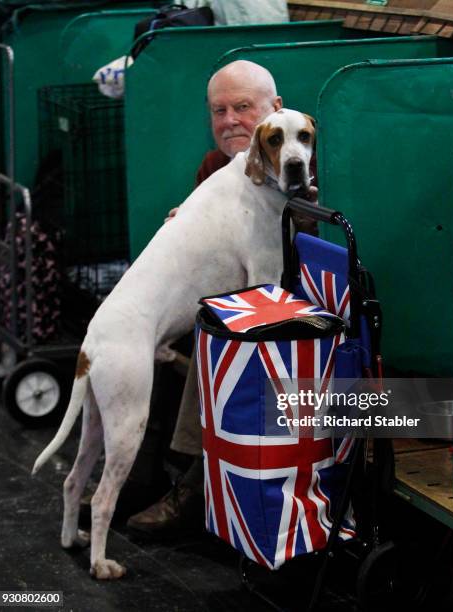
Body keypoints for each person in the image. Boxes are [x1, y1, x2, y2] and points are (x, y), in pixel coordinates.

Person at [126, 60, 316, 539]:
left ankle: (193, 490)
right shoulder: (215, 167)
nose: (230, 120)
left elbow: (291, 264)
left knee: (215, 329)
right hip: (234, 298)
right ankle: (139, 477)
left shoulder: (301, 161)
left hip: (290, 314)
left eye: (243, 107)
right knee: (145, 335)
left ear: (276, 109)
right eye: (219, 110)